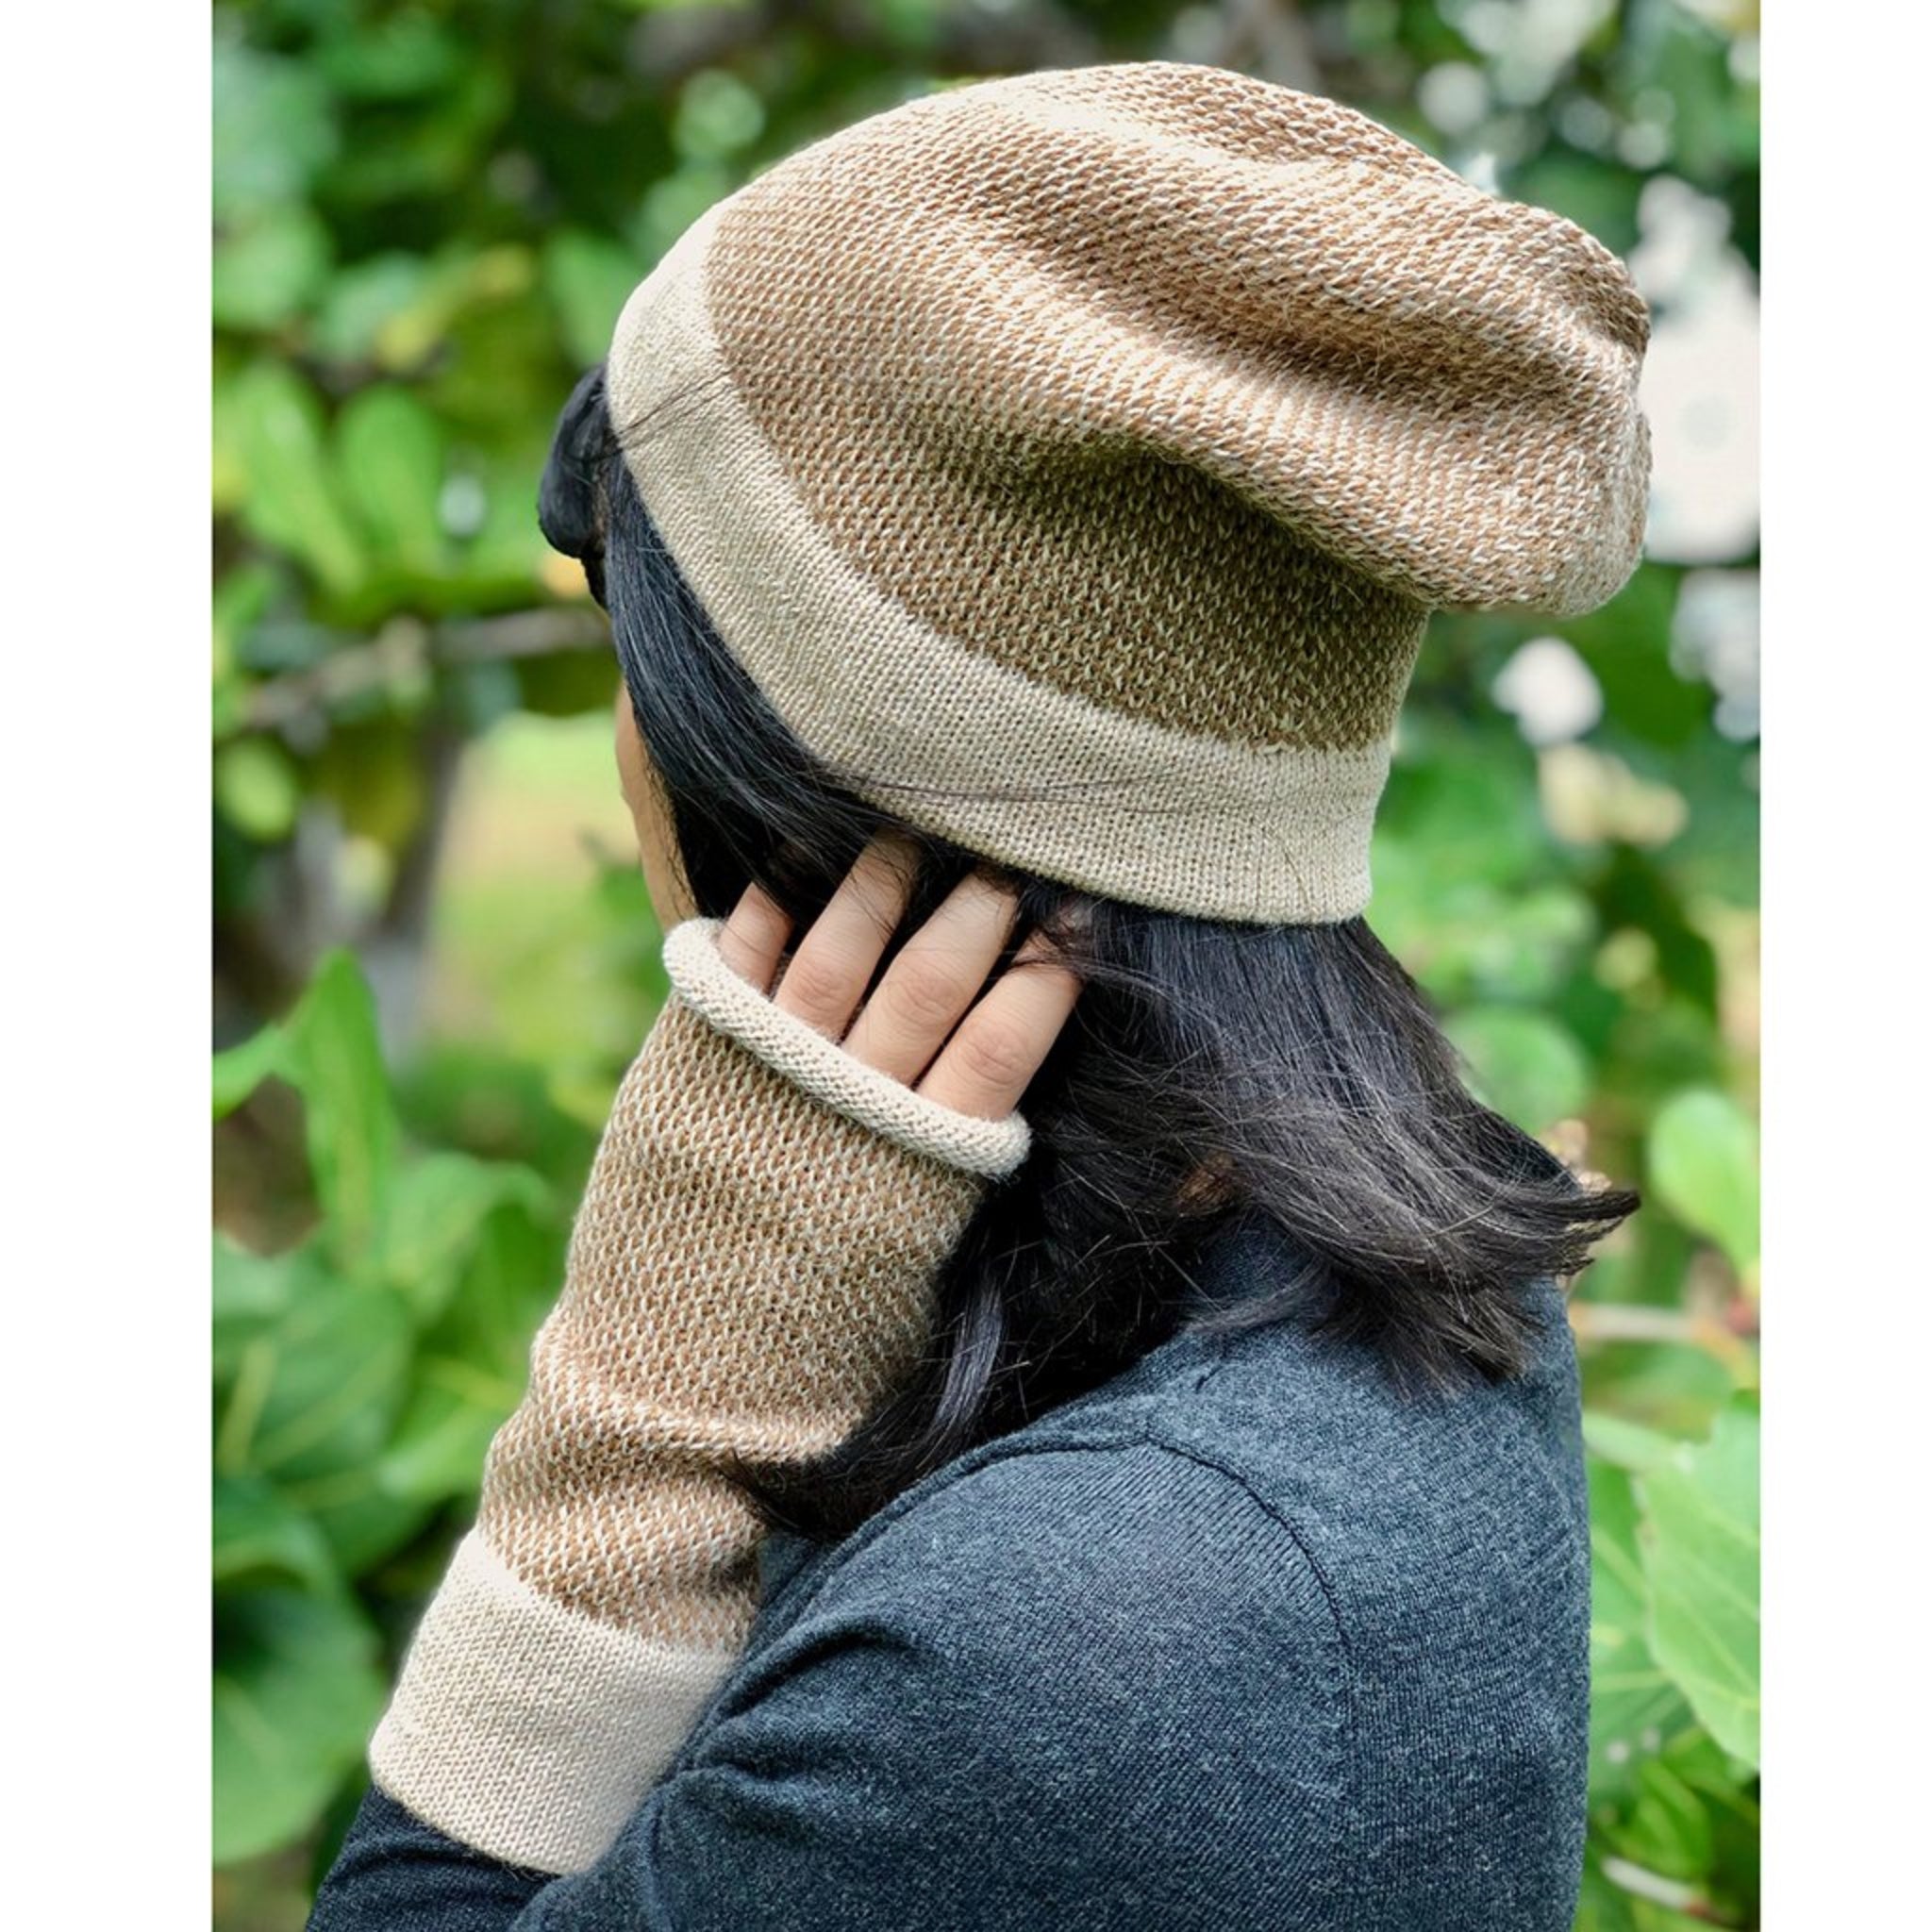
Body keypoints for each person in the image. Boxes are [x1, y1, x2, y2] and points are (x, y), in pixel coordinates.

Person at [309, 58, 1650, 1931]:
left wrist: (630, 1439)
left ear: (786, 793)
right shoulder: (1419, 1308)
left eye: (629, 630)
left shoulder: (1049, 1668)